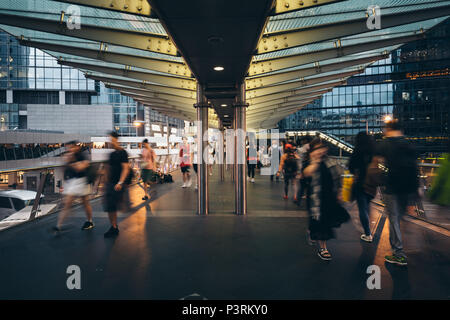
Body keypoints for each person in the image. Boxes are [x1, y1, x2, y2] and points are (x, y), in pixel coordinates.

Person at [375, 120, 419, 266]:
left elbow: (379, 164)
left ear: (389, 129)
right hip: (407, 189)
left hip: (391, 188)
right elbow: (414, 170)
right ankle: (401, 248)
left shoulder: (384, 145)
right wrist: (413, 199)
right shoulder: (409, 145)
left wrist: (384, 175)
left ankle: (398, 253)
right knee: (400, 218)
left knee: (393, 220)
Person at [302, 138, 349, 261]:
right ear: (311, 150)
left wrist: (339, 192)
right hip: (315, 200)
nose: (319, 151)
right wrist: (315, 162)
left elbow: (338, 176)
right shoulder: (309, 162)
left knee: (324, 222)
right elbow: (306, 173)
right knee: (319, 223)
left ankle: (313, 233)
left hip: (329, 197)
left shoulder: (330, 161)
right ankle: (323, 248)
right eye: (316, 149)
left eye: (321, 148)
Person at [54, 140, 93, 232]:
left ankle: (89, 221)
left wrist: (72, 161)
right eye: (68, 148)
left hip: (82, 181)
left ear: (77, 147)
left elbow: (80, 168)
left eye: (71, 147)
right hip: (72, 182)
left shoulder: (82, 155)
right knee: (67, 203)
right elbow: (65, 169)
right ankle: (58, 226)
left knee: (85, 203)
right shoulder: (69, 156)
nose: (70, 149)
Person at [348, 132, 375, 242]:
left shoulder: (357, 151)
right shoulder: (373, 151)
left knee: (362, 208)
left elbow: (350, 167)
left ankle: (368, 233)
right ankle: (367, 228)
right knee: (367, 205)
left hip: (360, 183)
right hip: (372, 183)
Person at [103, 131, 129, 238]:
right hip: (110, 183)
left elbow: (125, 169)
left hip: (117, 184)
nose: (110, 141)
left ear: (116, 139)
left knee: (112, 206)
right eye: (109, 139)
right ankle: (113, 226)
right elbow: (108, 169)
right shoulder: (112, 154)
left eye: (111, 139)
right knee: (110, 207)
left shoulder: (123, 153)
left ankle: (114, 227)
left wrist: (120, 182)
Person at [295, 137, 312, 206]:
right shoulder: (309, 157)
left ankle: (298, 200)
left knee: (301, 187)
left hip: (303, 171)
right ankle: (307, 200)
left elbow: (299, 159)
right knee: (308, 188)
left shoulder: (302, 151)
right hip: (309, 173)